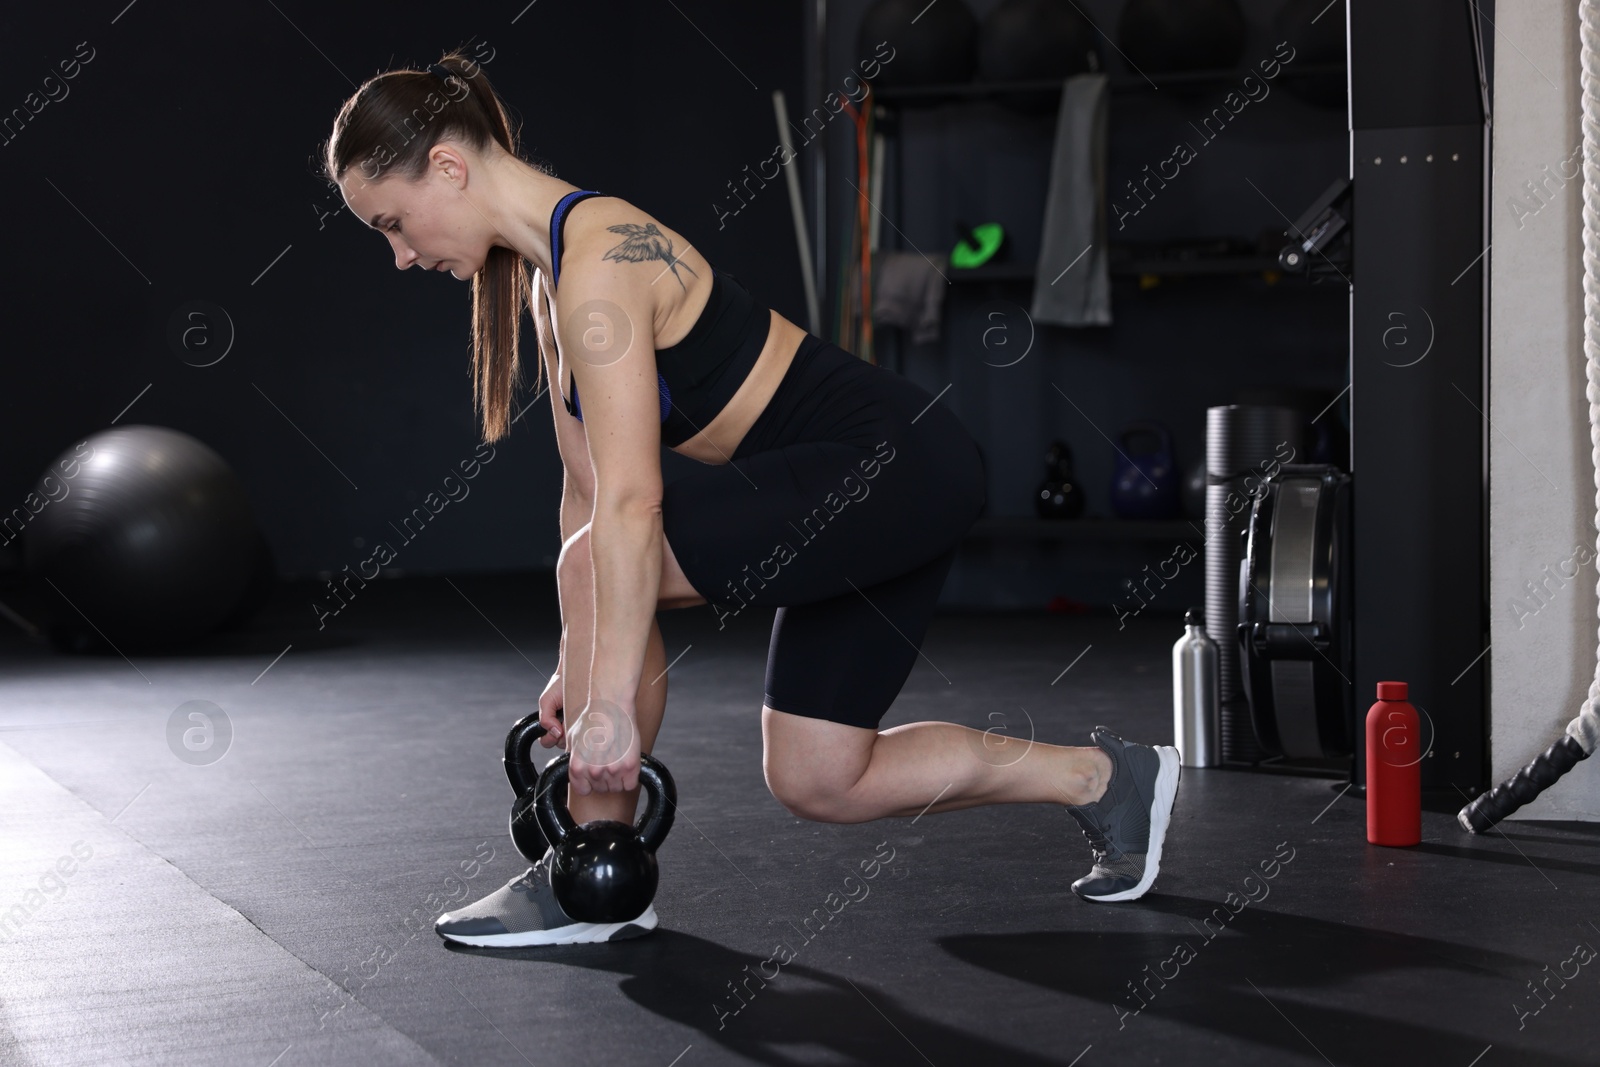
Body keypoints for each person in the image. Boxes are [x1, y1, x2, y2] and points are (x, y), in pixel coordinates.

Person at [322, 50, 1181, 948]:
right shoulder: (549, 280)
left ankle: (590, 880)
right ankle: (1106, 779)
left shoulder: (602, 255)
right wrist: (579, 660)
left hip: (892, 462)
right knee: (819, 775)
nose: (400, 254)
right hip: (862, 481)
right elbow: (583, 489)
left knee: (604, 566)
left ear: (449, 169)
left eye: (392, 222)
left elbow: (630, 509)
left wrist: (610, 697)